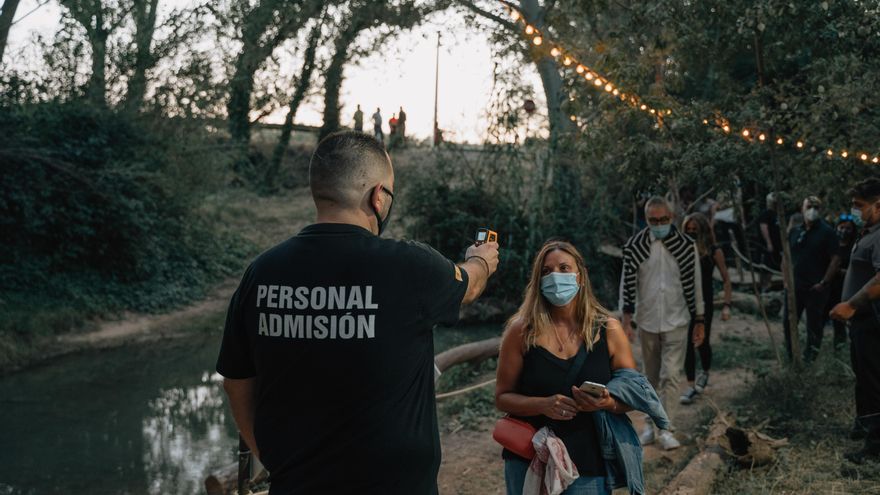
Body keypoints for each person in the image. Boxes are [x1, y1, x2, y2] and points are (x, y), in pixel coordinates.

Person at [216, 131, 500, 494]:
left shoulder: (261, 272)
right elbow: (470, 286)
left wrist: (269, 457)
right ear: (378, 196)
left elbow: (235, 382)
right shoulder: (409, 266)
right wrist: (481, 259)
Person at [495, 240, 655, 494]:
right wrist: (543, 405)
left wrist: (606, 402)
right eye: (546, 271)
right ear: (538, 281)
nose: (555, 276)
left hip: (587, 462)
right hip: (528, 455)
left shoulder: (609, 329)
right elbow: (502, 397)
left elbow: (631, 395)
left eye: (564, 268)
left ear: (580, 276)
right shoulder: (521, 331)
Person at [620, 196, 705, 451]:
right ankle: (649, 426)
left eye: (663, 220)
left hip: (677, 319)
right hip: (647, 320)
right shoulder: (635, 246)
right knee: (650, 378)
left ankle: (666, 428)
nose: (659, 225)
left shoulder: (686, 246)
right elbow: (627, 284)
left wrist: (700, 320)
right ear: (646, 220)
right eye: (653, 221)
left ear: (672, 218)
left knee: (671, 376)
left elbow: (696, 284)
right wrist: (626, 320)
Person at [830, 178, 880, 464]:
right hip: (861, 322)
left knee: (874, 381)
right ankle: (865, 427)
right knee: (864, 378)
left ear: (878, 205)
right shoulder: (867, 232)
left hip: (872, 320)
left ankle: (876, 446)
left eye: (859, 205)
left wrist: (851, 305)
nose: (855, 211)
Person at [679, 213, 732, 405]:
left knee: (701, 341)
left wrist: (726, 305)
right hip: (684, 302)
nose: (691, 233)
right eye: (688, 230)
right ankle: (690, 385)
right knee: (686, 342)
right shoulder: (682, 249)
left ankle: (705, 371)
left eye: (695, 230)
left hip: (705, 302)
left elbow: (726, 279)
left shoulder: (713, 251)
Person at [783, 196, 840, 363]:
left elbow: (835, 259)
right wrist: (786, 281)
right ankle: (791, 357)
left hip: (815, 288)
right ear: (802, 208)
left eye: (816, 207)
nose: (812, 210)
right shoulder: (795, 231)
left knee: (814, 325)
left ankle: (810, 360)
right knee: (788, 322)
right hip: (794, 287)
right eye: (809, 206)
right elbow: (786, 257)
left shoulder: (827, 232)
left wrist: (824, 282)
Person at [825, 214, 857, 350]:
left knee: (843, 321)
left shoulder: (855, 247)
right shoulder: (831, 244)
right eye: (841, 227)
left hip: (845, 289)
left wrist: (839, 271)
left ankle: (842, 348)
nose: (844, 231)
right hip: (829, 287)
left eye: (848, 228)